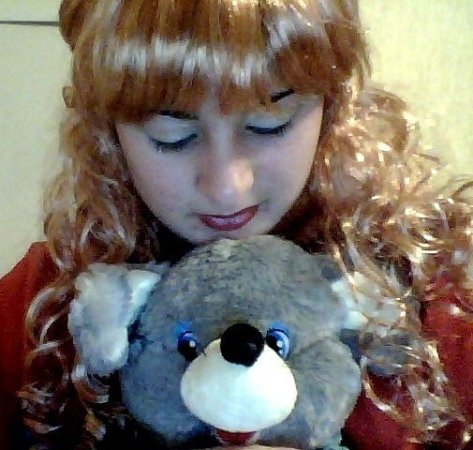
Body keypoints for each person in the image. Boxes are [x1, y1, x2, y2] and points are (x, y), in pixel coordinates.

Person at [1, 0, 472, 448]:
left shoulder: (429, 304)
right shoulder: (45, 302)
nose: (227, 187)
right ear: (108, 132)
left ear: (331, 108)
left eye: (270, 124)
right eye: (172, 136)